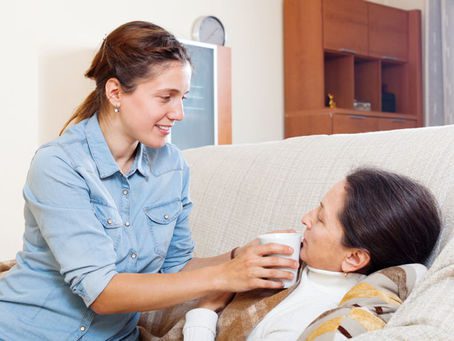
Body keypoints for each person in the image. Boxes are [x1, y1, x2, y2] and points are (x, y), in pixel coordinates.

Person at [0, 21, 298, 340]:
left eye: (182, 97)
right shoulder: (59, 165)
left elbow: (176, 269)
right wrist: (225, 276)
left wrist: (240, 257)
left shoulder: (173, 168)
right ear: (115, 92)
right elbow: (102, 293)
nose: (179, 112)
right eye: (166, 97)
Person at [181, 168, 442, 340]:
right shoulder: (295, 267)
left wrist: (205, 311)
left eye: (320, 218)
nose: (305, 218)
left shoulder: (306, 319)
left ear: (353, 258)